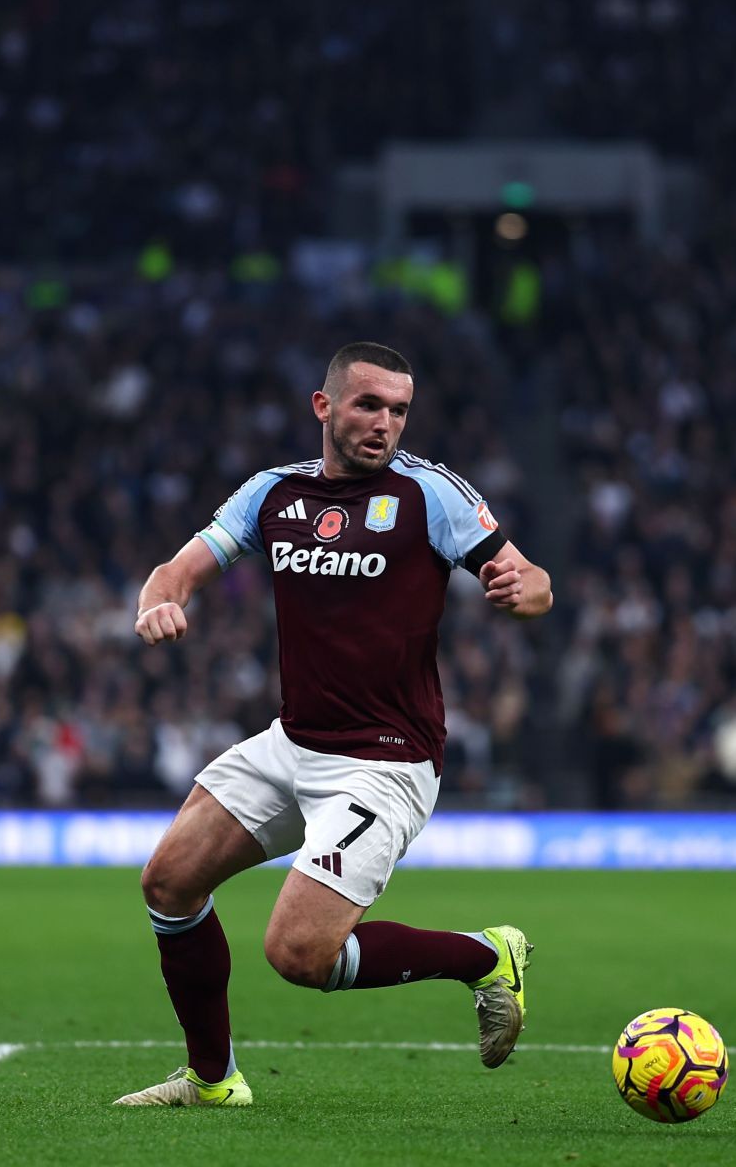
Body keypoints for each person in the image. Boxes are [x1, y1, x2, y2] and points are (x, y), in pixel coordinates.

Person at [115, 342, 554, 1107]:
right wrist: (160, 600)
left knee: (297, 953)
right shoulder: (272, 494)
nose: (385, 424)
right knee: (169, 883)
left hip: (386, 762)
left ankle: (484, 957)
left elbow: (534, 578)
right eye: (369, 405)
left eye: (399, 410)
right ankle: (211, 1082)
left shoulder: (430, 496)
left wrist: (528, 588)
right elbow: (177, 569)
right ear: (324, 407)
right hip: (295, 742)